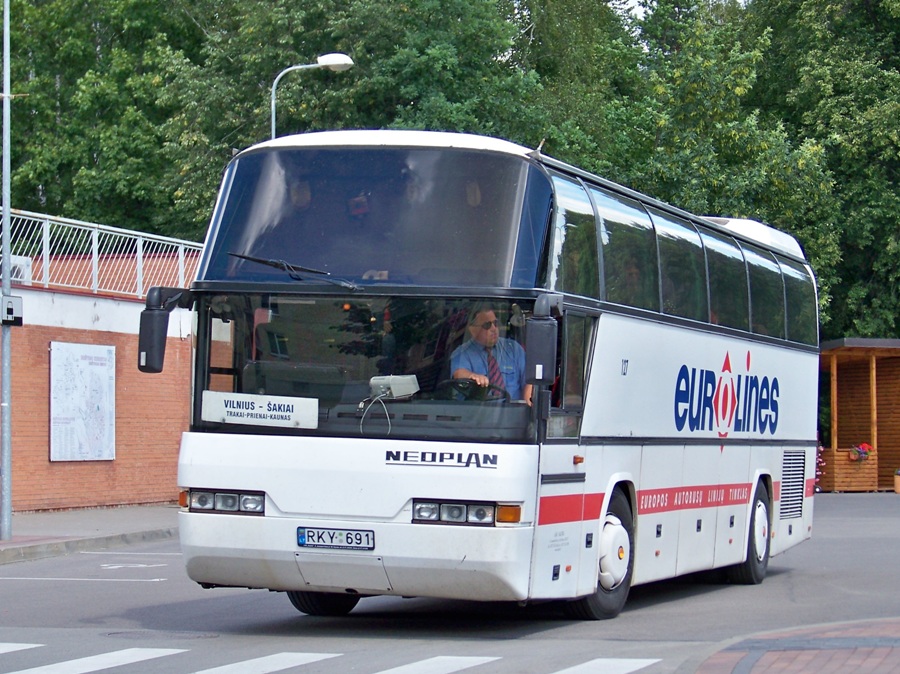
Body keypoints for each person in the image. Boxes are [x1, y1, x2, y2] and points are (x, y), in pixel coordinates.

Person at [451, 307, 532, 405]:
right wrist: (472, 376)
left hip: (513, 414)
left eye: (495, 323)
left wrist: (527, 406)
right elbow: (459, 373)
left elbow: (529, 380)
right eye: (487, 325)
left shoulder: (513, 348)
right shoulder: (462, 353)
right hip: (479, 415)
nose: (494, 329)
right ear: (473, 330)